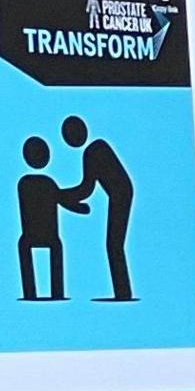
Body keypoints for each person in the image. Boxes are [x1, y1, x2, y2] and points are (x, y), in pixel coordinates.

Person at [61, 113, 138, 301]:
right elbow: (87, 188)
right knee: (114, 244)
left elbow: (86, 188)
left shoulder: (93, 151)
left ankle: (123, 293)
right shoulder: (96, 148)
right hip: (121, 194)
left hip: (120, 195)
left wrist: (60, 195)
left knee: (114, 244)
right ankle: (123, 291)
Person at [15, 133, 84, 300]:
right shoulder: (48, 183)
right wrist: (81, 208)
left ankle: (30, 293)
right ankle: (57, 292)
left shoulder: (23, 183)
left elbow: (60, 199)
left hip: (30, 235)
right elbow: (63, 200)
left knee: (24, 245)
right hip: (49, 235)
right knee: (56, 247)